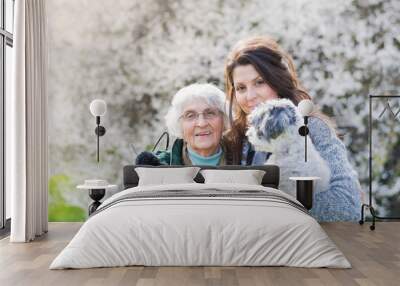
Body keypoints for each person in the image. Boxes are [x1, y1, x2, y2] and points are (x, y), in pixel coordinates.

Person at [224, 36, 362, 221]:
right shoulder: (234, 139)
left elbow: (347, 206)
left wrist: (270, 209)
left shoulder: (312, 129)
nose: (250, 96)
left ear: (277, 81)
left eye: (260, 82)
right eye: (241, 88)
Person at [139, 83, 232, 166]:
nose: (202, 123)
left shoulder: (243, 161)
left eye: (210, 113)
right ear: (179, 125)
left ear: (224, 119)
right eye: (190, 116)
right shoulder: (158, 167)